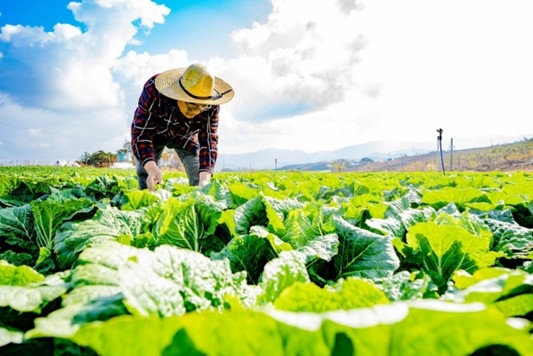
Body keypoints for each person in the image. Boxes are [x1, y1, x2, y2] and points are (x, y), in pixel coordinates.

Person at [131, 63, 234, 191]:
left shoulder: (211, 105)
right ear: (178, 95)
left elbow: (208, 141)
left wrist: (205, 179)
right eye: (192, 106)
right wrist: (151, 168)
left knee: (199, 177)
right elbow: (141, 134)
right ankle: (148, 200)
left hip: (186, 137)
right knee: (146, 174)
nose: (196, 111)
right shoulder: (154, 91)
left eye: (202, 107)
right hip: (154, 134)